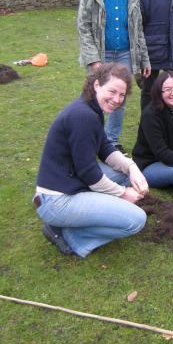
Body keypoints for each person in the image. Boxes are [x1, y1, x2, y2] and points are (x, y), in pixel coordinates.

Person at [33, 63, 149, 258]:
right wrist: (122, 194)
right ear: (96, 85)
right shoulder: (83, 116)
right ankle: (70, 235)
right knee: (136, 220)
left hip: (68, 182)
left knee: (124, 175)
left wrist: (132, 167)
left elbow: (105, 149)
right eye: (112, 91)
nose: (116, 100)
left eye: (121, 95)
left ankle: (72, 221)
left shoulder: (91, 109)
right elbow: (89, 173)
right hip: (56, 200)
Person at [78, 0, 151, 152]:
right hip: (101, 54)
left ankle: (111, 140)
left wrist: (144, 59)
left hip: (125, 54)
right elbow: (83, 27)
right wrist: (93, 59)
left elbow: (138, 31)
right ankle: (90, 137)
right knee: (95, 96)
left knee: (119, 98)